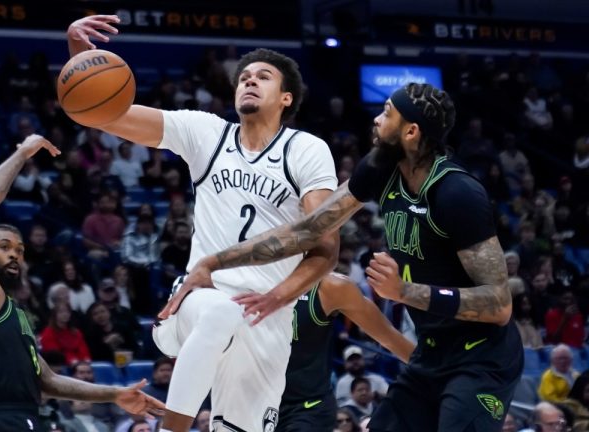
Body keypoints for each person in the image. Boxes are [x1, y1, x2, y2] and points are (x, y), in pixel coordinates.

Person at [177, 83, 524, 431]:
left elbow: (498, 304)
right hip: (432, 352)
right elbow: (308, 229)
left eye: (386, 112)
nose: (376, 120)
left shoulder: (457, 193)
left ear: (411, 130)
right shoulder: (381, 168)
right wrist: (214, 262)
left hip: (482, 358)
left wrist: (405, 292)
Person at [68, 18, 338, 432]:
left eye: (262, 77)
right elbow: (107, 114)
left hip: (270, 318)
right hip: (199, 300)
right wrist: (81, 58)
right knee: (220, 314)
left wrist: (278, 298)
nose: (249, 82)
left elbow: (326, 247)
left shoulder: (306, 150)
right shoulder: (207, 133)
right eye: (243, 77)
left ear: (286, 97)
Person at [0, 127, 163, 429]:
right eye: (4, 247)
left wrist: (115, 393)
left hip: (29, 418)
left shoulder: (14, 313)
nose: (14, 254)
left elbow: (48, 380)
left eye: (19, 249)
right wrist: (23, 153)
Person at [278, 274, 414, 432]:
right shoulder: (249, 281)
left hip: (306, 407)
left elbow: (388, 336)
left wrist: (432, 369)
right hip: (255, 400)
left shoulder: (329, 286)